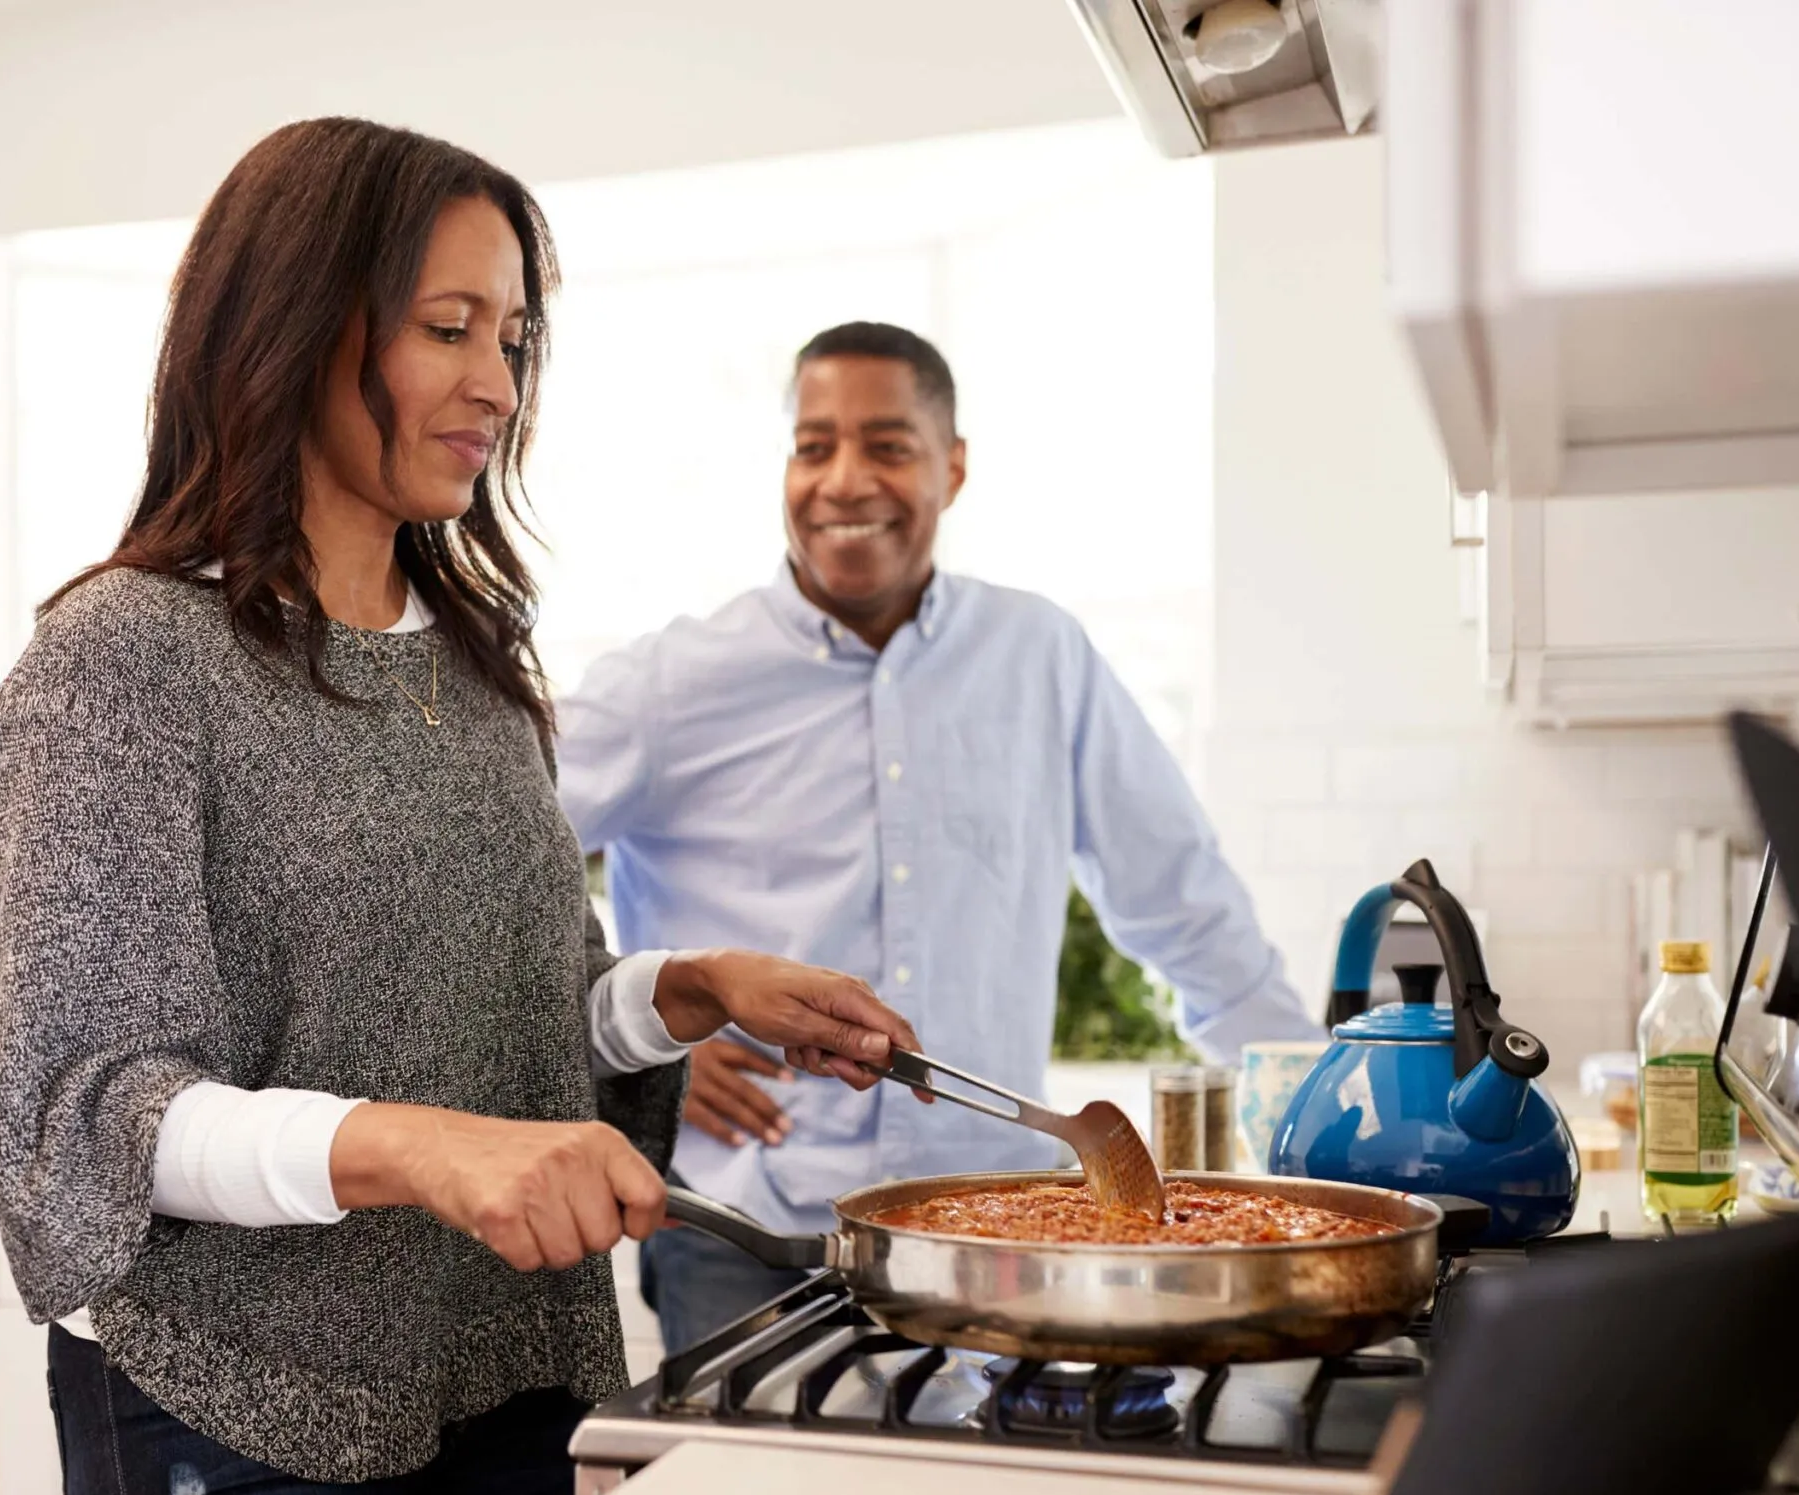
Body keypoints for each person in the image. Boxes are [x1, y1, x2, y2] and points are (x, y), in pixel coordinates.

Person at [0, 122, 918, 1495]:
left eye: (517, 338)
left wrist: (682, 989)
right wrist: (423, 1145)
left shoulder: (476, 665)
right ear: (292, 323)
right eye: (448, 327)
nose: (497, 384)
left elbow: (504, 1014)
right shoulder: (122, 665)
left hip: (510, 1388)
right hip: (246, 1429)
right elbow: (92, 1111)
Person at [556, 320, 1323, 1354]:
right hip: (753, 1238)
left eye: (887, 445)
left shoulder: (1039, 656)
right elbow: (489, 865)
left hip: (997, 1225)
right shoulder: (671, 685)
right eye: (813, 445)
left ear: (950, 467)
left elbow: (1182, 902)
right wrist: (631, 1053)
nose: (843, 481)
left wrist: (1322, 1126)